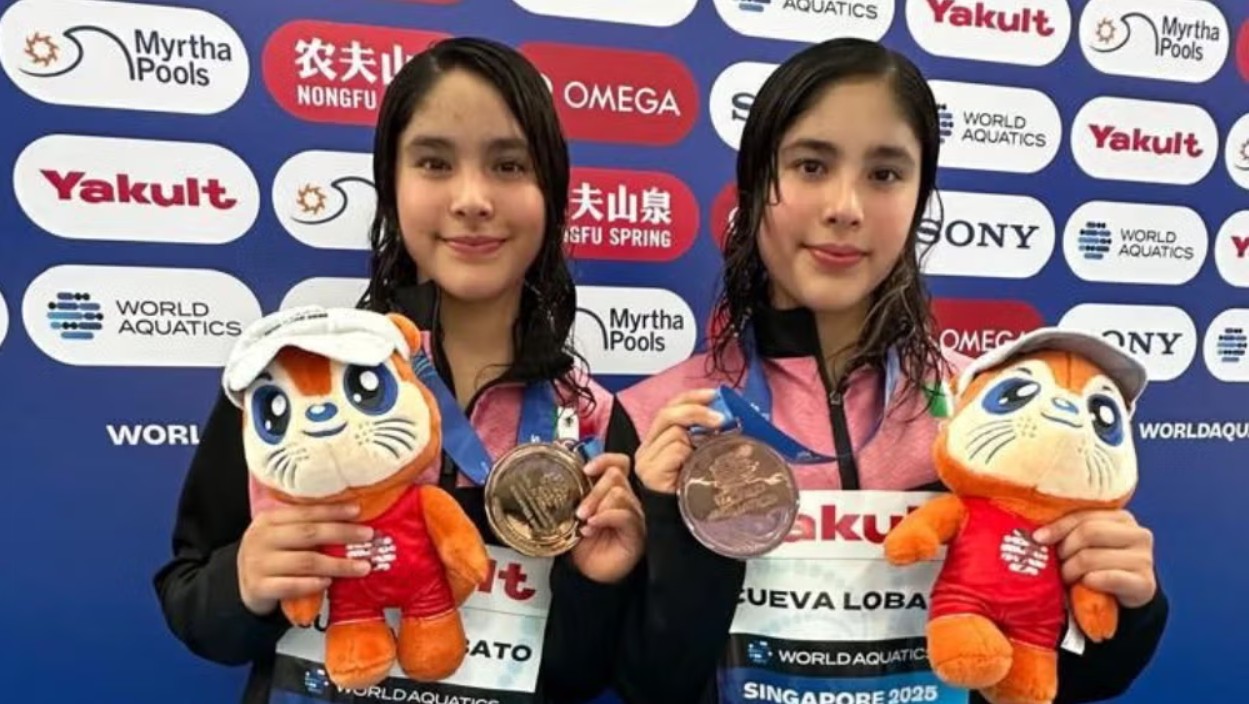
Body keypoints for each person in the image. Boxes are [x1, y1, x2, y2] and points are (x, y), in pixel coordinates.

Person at [604, 38, 1167, 704]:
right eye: (810, 165)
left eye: (884, 174)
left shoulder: (990, 412)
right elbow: (647, 686)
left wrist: (1130, 610)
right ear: (756, 187)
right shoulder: (659, 419)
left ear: (918, 197)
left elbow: (1063, 680)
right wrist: (681, 531)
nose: (845, 206)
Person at [153, 37, 644, 704]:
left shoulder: (588, 417)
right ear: (391, 184)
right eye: (435, 162)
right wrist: (241, 583)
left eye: (508, 164)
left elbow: (576, 677)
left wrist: (593, 585)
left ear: (552, 192)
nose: (472, 198)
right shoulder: (291, 376)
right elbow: (191, 607)